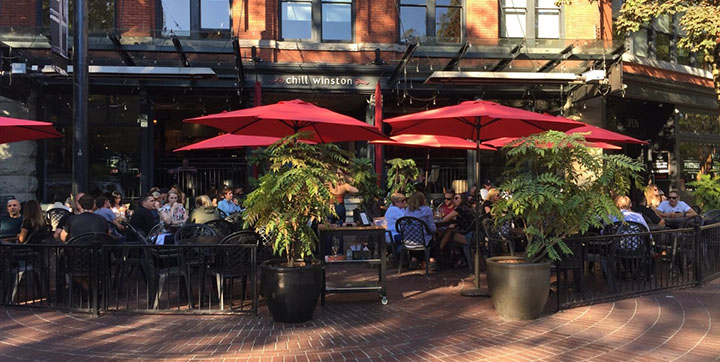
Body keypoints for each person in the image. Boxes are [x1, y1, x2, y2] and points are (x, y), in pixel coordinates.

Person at [405, 192, 437, 269]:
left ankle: (414, 259)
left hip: (409, 240)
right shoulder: (427, 210)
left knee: (418, 236)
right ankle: (432, 260)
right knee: (433, 238)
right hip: (423, 240)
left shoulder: (407, 210)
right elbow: (432, 228)